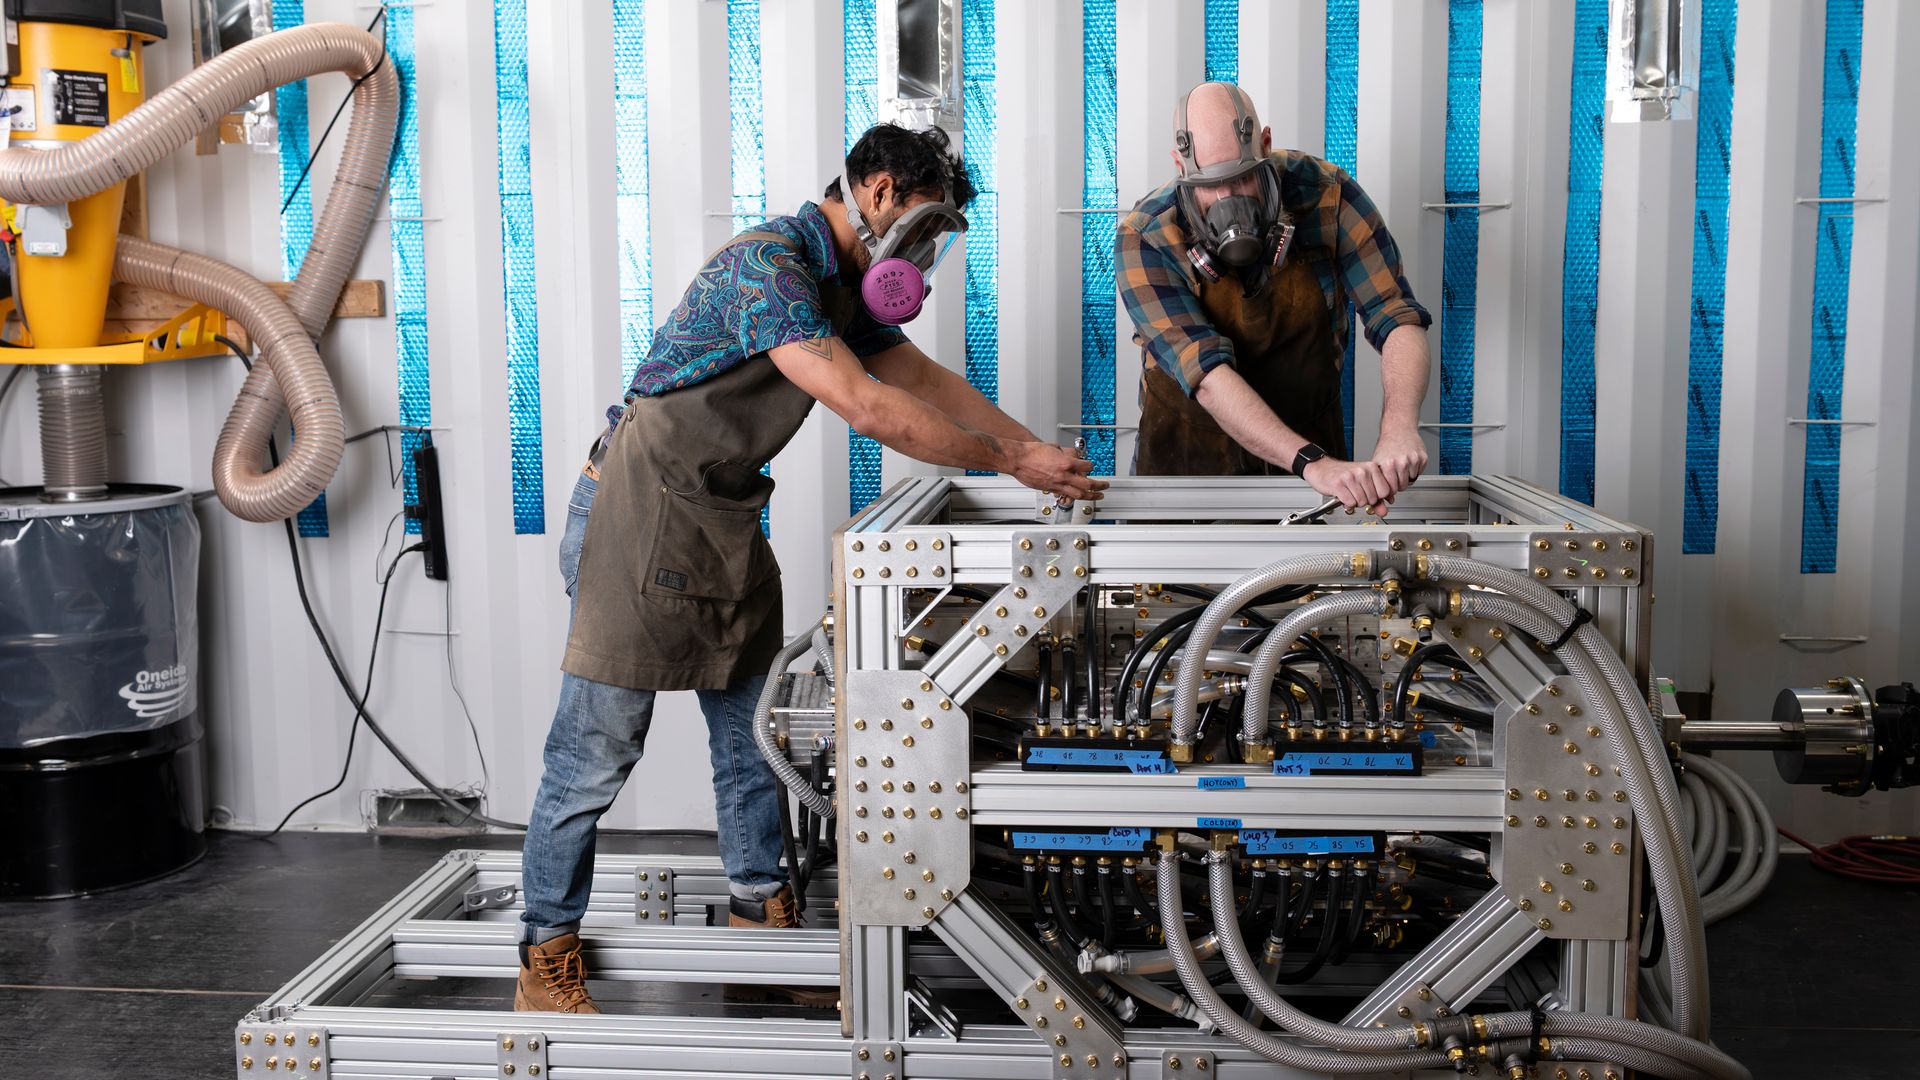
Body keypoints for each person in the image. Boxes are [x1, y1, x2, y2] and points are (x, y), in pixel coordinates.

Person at [514, 123, 1105, 1014]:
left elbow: (921, 376)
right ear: (875, 192)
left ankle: (762, 924)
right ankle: (543, 953)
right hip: (638, 513)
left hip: (721, 515)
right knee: (595, 750)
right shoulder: (771, 271)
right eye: (925, 228)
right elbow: (869, 407)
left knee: (755, 739)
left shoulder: (842, 288)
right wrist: (1007, 463)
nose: (927, 257)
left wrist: (1026, 446)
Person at [1120, 81, 1432, 513]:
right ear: (1179, 166)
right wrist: (1313, 463)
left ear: (1265, 144)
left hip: (1312, 452)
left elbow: (1395, 314)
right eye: (1209, 186)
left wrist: (1399, 427)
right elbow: (1205, 372)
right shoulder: (1147, 236)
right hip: (1186, 461)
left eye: (1242, 177)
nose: (1228, 200)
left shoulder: (1327, 195)